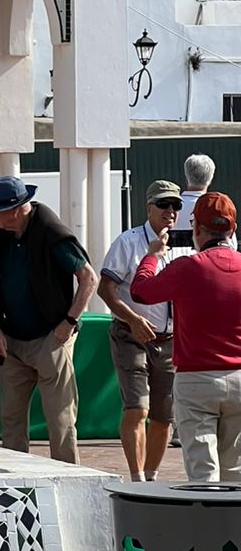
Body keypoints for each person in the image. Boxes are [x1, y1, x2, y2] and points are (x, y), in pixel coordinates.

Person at [0, 174, 95, 465]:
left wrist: (68, 324)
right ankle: (16, 486)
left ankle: (70, 481)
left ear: (16, 209)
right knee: (11, 421)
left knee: (60, 421)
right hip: (11, 339)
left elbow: (88, 278)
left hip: (49, 338)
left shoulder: (51, 232)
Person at [132, 190, 241, 483]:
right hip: (239, 376)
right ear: (232, 229)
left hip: (196, 379)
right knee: (236, 474)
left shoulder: (187, 267)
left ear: (196, 228)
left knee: (203, 474)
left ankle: (208, 529)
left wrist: (152, 257)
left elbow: (140, 291)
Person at [97, 180, 180, 481]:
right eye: (163, 205)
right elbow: (105, 290)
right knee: (137, 409)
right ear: (148, 208)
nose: (170, 211)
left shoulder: (184, 245)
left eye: (175, 206)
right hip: (130, 336)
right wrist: (132, 319)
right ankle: (136, 479)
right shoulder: (128, 242)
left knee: (163, 416)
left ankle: (152, 477)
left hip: (170, 341)